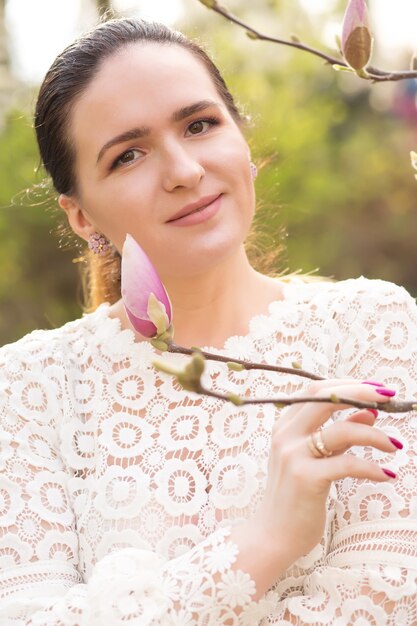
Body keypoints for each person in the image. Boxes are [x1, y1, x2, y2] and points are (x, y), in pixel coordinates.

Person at [0, 16, 416, 626]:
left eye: (200, 125)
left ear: (242, 139)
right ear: (82, 217)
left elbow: (388, 598)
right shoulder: (30, 387)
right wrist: (266, 542)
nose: (185, 171)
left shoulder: (371, 328)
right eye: (128, 155)